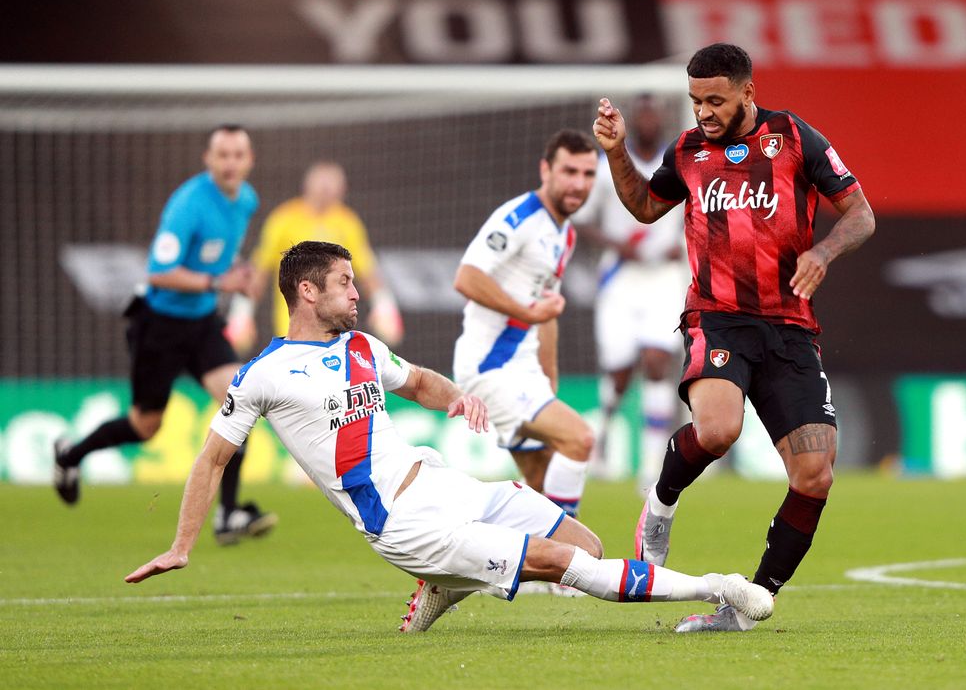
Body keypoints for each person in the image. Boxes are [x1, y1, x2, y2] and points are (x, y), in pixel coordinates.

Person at [123, 241, 775, 634]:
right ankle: (721, 587)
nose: (358, 291)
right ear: (306, 289)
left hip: (442, 482)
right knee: (570, 569)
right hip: (404, 524)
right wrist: (181, 544)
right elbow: (212, 459)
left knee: (585, 541)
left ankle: (452, 584)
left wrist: (458, 399)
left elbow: (417, 381)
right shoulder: (262, 373)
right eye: (345, 282)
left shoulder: (361, 345)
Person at [592, 43, 876, 632]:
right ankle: (661, 504)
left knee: (815, 475)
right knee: (719, 430)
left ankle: (747, 604)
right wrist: (618, 151)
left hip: (790, 326)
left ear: (749, 90)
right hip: (716, 317)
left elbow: (860, 214)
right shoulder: (689, 150)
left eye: (716, 100)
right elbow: (645, 206)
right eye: (695, 100)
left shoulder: (794, 138)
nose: (704, 112)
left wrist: (823, 250)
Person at [53, 124, 277, 546]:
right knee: (145, 426)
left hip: (202, 323)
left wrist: (239, 273)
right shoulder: (189, 205)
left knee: (240, 398)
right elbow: (159, 271)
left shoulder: (246, 200)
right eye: (222, 155)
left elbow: (222, 256)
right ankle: (70, 456)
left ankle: (227, 515)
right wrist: (219, 283)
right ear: (207, 159)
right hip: (159, 324)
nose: (230, 163)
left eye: (238, 154)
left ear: (250, 160)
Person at [451, 130, 598, 517]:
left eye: (587, 174)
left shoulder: (564, 235)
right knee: (579, 439)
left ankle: (458, 571)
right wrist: (528, 313)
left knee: (540, 484)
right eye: (569, 171)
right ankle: (570, 568)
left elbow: (545, 310)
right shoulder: (518, 217)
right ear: (545, 169)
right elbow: (466, 277)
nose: (578, 184)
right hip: (491, 367)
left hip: (525, 369)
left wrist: (548, 377)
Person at [573, 95, 689, 487]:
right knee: (620, 371)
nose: (649, 119)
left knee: (657, 361)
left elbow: (700, 213)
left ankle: (652, 464)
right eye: (642, 114)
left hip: (663, 277)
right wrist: (615, 244)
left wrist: (684, 247)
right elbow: (582, 222)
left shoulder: (680, 162)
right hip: (621, 278)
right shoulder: (609, 169)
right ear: (633, 121)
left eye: (654, 113)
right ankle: (601, 435)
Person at [225, 160, 403, 355]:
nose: (326, 190)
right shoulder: (283, 219)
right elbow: (259, 271)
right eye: (321, 183)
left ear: (342, 189)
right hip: (293, 327)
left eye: (332, 184)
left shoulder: (348, 223)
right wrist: (241, 314)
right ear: (307, 186)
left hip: (337, 328)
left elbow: (367, 271)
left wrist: (384, 307)